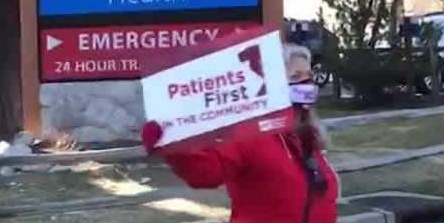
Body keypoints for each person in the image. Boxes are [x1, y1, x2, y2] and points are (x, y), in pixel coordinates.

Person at [142, 44, 338, 223]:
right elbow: (206, 172)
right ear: (272, 83)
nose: (306, 83)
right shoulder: (250, 134)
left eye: (309, 76)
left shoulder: (309, 139)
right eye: (295, 77)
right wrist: (174, 143)